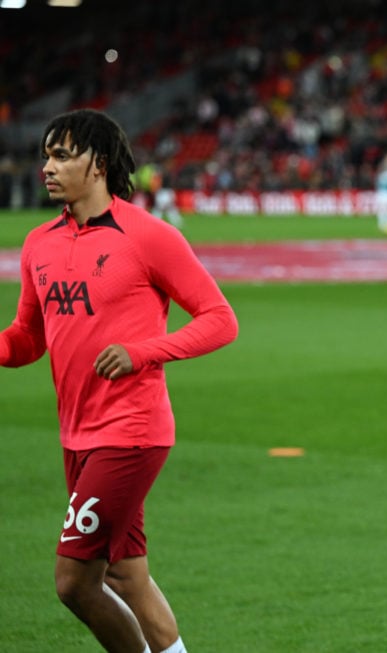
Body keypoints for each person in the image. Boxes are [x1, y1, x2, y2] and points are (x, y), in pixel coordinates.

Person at [0, 109, 239, 653]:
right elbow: (26, 338)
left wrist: (143, 353)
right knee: (125, 576)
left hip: (130, 431)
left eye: (63, 155)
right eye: (47, 155)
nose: (48, 167)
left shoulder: (148, 236)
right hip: (76, 434)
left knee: (75, 581)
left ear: (99, 164)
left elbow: (220, 319)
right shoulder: (39, 242)